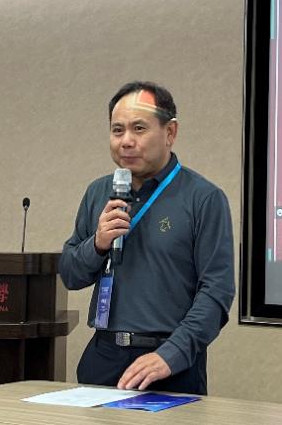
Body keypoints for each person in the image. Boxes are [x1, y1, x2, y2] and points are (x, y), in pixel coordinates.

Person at [59, 81, 234, 395]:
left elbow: (217, 291)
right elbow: (71, 275)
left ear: (170, 132)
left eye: (139, 128)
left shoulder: (203, 198)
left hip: (170, 363)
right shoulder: (98, 192)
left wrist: (172, 355)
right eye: (117, 130)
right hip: (103, 355)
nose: (126, 141)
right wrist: (97, 244)